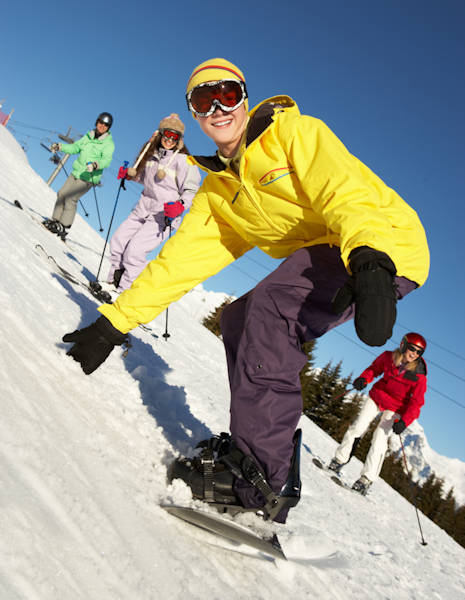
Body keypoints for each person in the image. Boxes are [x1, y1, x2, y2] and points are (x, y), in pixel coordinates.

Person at [62, 58, 430, 523]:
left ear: (244, 96)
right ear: (194, 114)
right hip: (336, 249)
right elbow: (178, 264)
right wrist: (115, 322)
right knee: (239, 318)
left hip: (380, 244)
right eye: (203, 99)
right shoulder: (221, 191)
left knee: (271, 311)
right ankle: (250, 451)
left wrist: (372, 259)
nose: (217, 108)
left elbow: (346, 193)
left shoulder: (294, 134)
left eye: (228, 95)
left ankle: (261, 483)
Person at [106, 114, 200, 291]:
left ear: (179, 140)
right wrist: (129, 175)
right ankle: (112, 281)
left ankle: (124, 292)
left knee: (134, 252)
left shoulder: (184, 162)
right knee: (117, 241)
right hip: (142, 208)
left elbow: (191, 191)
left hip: (163, 217)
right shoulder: (152, 157)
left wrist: (180, 205)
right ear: (161, 135)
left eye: (174, 137)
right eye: (167, 135)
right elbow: (145, 180)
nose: (170, 140)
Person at [328, 332, 428, 495]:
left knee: (380, 438)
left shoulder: (419, 376)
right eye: (412, 349)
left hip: (396, 408)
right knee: (358, 427)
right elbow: (374, 369)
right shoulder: (389, 357)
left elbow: (416, 403)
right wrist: (364, 379)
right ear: (403, 345)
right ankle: (339, 459)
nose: (414, 354)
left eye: (419, 352)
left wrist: (405, 421)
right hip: (378, 396)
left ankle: (366, 479)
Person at [44, 112, 115, 240]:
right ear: (96, 122)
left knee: (71, 198)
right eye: (101, 123)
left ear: (108, 128)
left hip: (89, 177)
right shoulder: (88, 136)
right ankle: (55, 220)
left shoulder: (109, 144)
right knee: (61, 193)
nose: (102, 126)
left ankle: (64, 225)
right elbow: (75, 147)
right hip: (77, 172)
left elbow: (106, 160)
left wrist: (95, 165)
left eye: (106, 125)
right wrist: (61, 146)